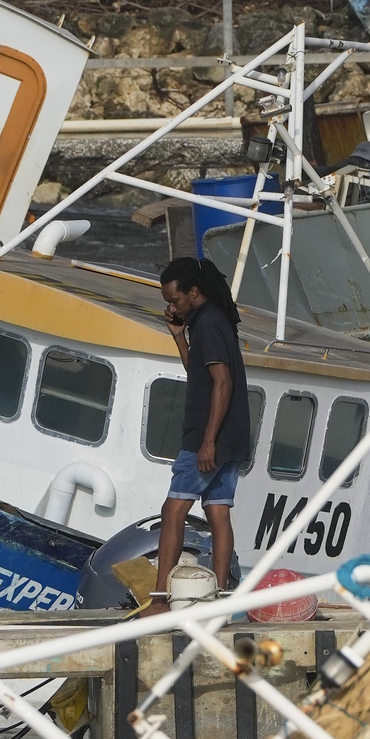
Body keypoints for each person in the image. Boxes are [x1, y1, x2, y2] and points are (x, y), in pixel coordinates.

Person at [151, 256, 249, 610]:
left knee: (173, 509)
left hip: (208, 438)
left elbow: (222, 383)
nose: (172, 306)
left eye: (175, 300)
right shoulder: (212, 322)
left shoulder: (207, 324)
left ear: (194, 291)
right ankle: (220, 596)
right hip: (233, 437)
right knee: (218, 513)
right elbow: (201, 375)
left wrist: (208, 441)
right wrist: (179, 337)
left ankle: (161, 598)